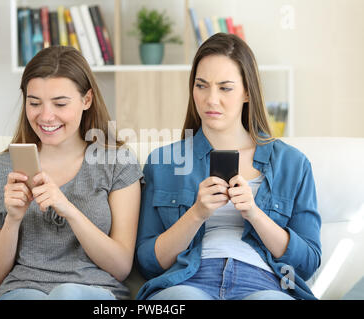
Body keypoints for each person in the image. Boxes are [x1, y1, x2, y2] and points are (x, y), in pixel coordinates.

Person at [135, 33, 321, 300]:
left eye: (225, 88)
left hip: (265, 282)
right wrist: (197, 213)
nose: (211, 99)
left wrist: (254, 213)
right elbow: (148, 263)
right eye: (202, 86)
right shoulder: (163, 162)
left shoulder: (293, 164)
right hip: (188, 281)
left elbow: (307, 264)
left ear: (247, 92)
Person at [0, 46, 143, 300]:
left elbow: (120, 267)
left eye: (60, 103)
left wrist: (68, 209)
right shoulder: (1, 169)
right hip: (22, 292)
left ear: (86, 100)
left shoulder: (117, 162)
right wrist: (13, 219)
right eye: (34, 103)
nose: (46, 116)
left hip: (93, 293)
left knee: (67, 295)